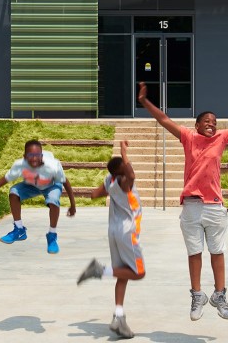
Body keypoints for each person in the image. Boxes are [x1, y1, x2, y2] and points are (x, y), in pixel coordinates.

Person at [137, 82, 228, 322]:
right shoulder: (188, 137)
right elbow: (164, 119)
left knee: (217, 252)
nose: (212, 124)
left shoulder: (221, 139)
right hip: (191, 206)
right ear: (197, 125)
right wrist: (145, 102)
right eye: (207, 121)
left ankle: (219, 295)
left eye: (214, 122)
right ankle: (197, 295)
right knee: (194, 253)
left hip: (214, 206)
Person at [77, 140, 145, 339]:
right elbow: (131, 175)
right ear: (122, 169)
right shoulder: (125, 181)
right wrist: (123, 152)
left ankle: (119, 317)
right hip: (127, 232)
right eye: (126, 164)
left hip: (113, 231)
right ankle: (99, 270)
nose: (128, 165)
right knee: (139, 273)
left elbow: (94, 194)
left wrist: (106, 189)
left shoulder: (111, 180)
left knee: (123, 275)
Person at [0, 139, 76, 254]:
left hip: (51, 185)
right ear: (25, 156)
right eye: (30, 155)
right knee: (14, 192)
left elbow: (66, 183)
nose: (34, 158)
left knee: (53, 200)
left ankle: (52, 235)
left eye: (37, 155)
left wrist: (73, 205)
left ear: (41, 156)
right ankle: (19, 230)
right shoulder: (20, 165)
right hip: (32, 185)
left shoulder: (53, 165)